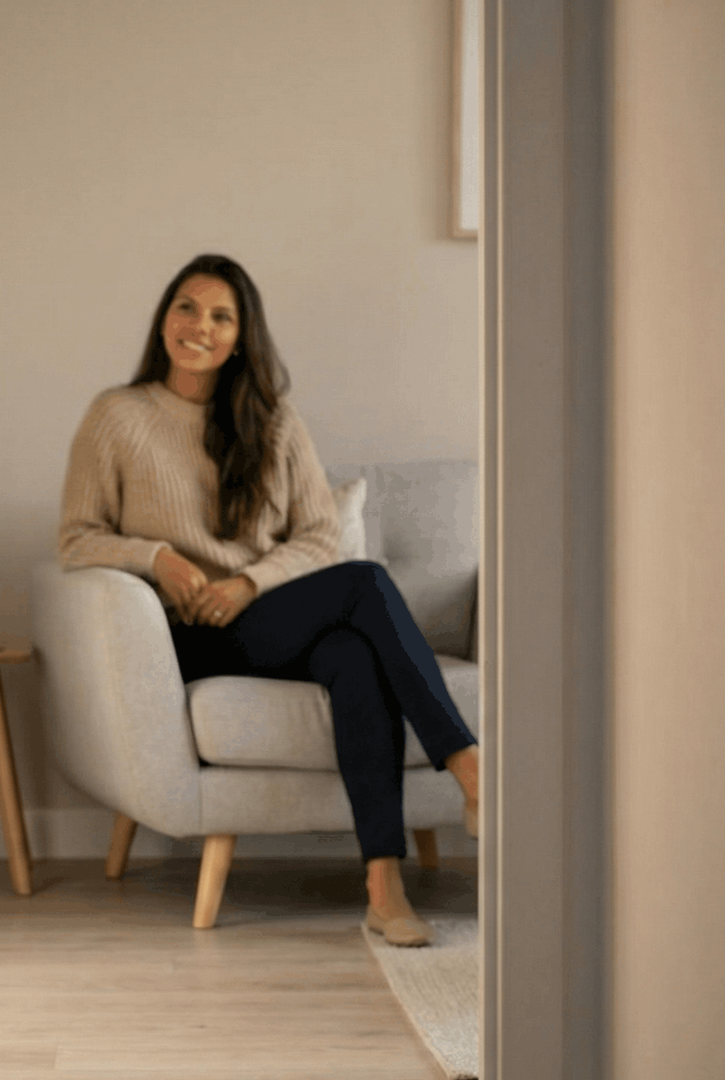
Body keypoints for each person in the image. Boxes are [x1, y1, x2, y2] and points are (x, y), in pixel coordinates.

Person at [57, 252, 480, 947]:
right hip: (188, 636)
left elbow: (318, 538)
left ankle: (384, 886)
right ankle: (468, 766)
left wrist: (248, 582)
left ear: (241, 335)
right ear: (165, 317)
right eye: (187, 308)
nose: (200, 326)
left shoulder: (275, 422)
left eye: (221, 316)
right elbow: (77, 540)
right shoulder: (117, 416)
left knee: (353, 655)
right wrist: (156, 557)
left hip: (261, 618)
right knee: (368, 581)